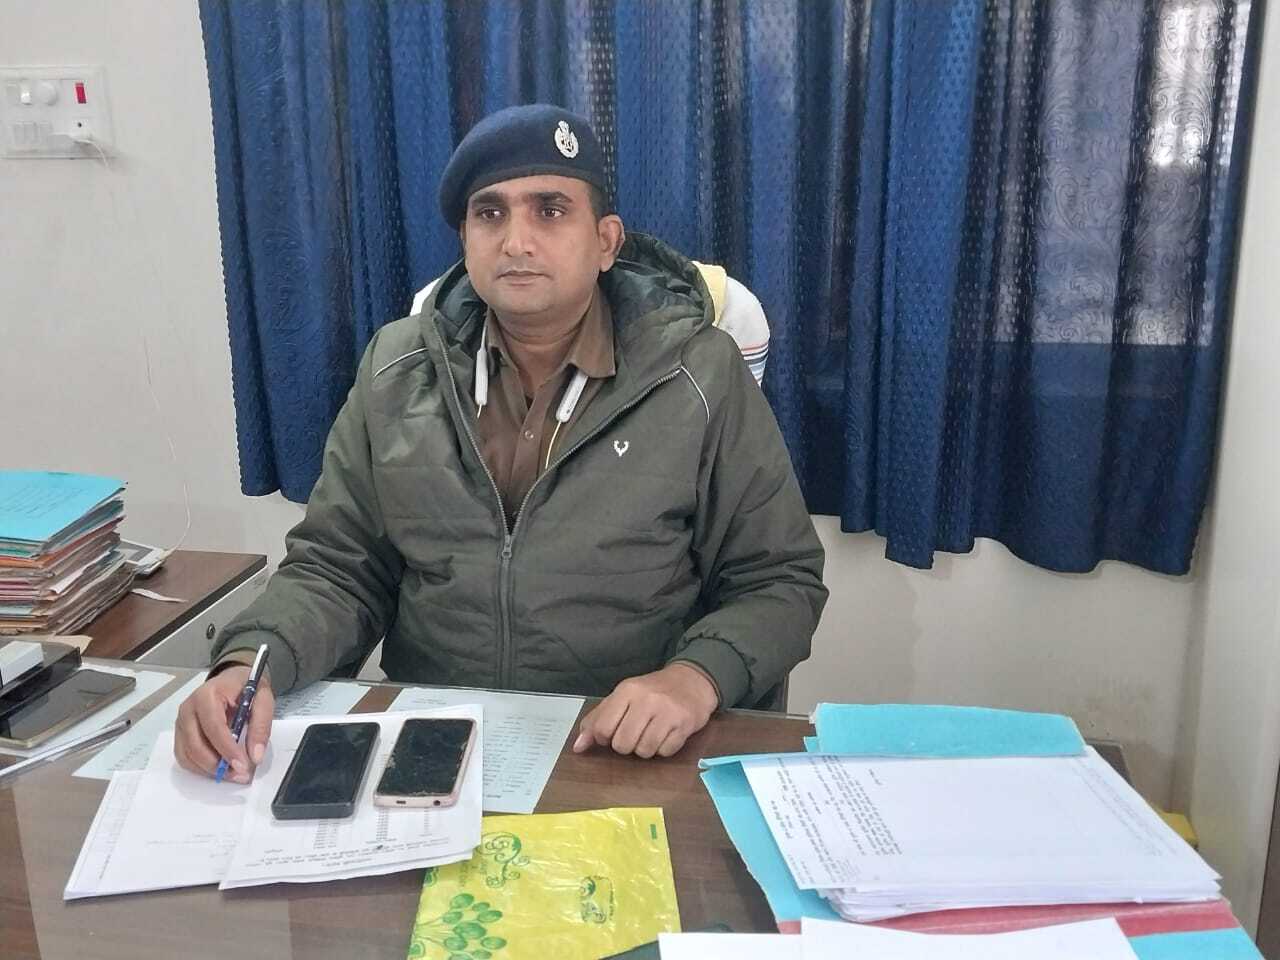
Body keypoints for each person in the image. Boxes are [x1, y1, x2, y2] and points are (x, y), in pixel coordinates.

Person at [174, 104, 827, 783]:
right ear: (465, 239)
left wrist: (695, 678)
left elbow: (778, 580)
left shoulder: (700, 375)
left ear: (606, 242)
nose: (516, 241)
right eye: (490, 214)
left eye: (550, 211)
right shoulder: (396, 370)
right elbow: (338, 568)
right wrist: (250, 661)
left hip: (621, 746)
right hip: (437, 745)